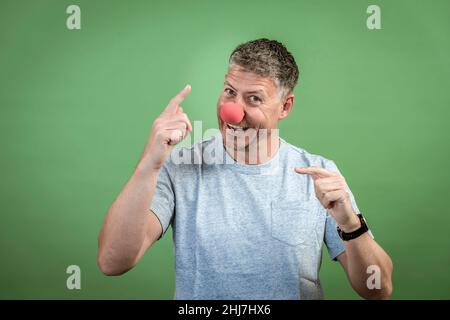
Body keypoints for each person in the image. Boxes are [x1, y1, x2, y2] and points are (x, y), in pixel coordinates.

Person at [97, 38, 393, 300]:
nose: (232, 111)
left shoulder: (318, 175)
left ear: (285, 106)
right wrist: (149, 165)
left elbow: (377, 289)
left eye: (254, 98)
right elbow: (113, 262)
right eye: (229, 92)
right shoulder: (182, 167)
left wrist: (350, 224)